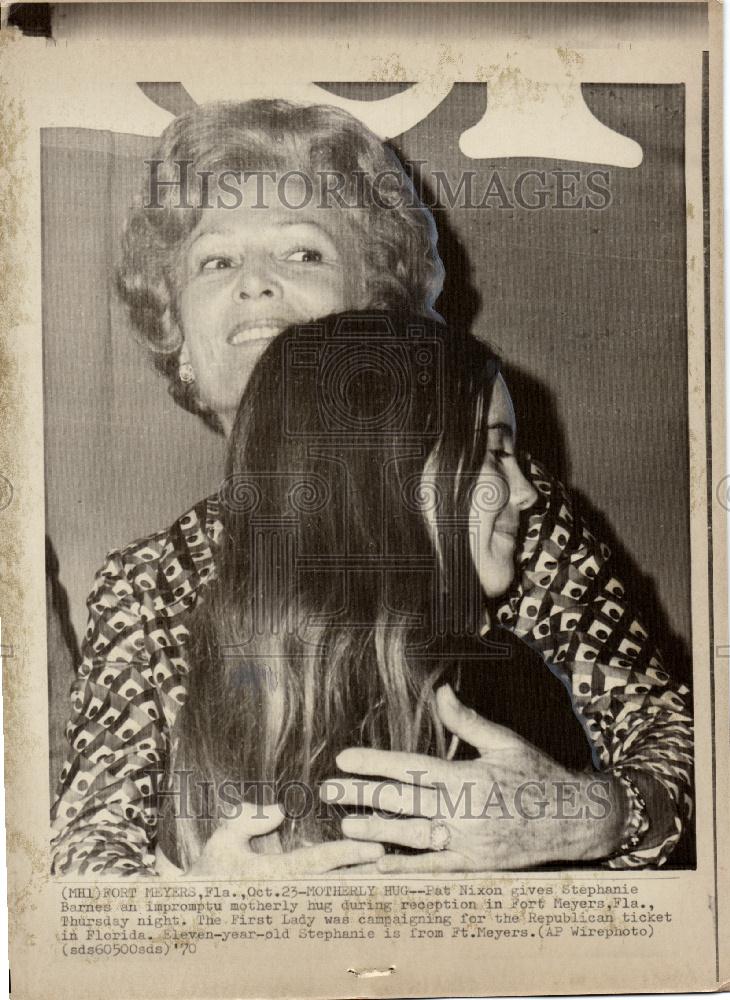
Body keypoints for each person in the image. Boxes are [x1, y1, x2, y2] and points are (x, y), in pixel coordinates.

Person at [50, 101, 693, 877]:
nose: (256, 285)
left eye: (304, 253)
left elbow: (667, 734)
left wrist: (583, 820)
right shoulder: (149, 584)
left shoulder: (494, 507)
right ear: (179, 343)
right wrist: (199, 916)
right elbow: (85, 856)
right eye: (216, 263)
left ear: (379, 321)